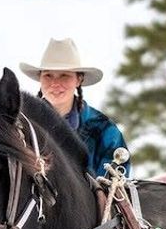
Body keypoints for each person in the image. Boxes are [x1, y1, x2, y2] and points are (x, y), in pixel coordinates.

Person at [18, 37, 130, 178]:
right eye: (48, 75)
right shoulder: (21, 126)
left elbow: (116, 187)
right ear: (40, 79)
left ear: (79, 79)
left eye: (64, 75)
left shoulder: (104, 130)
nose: (55, 83)